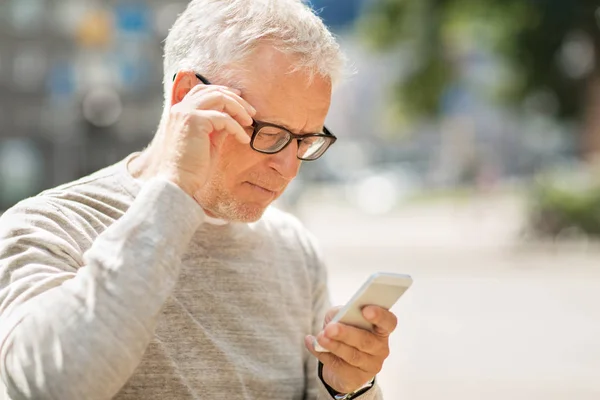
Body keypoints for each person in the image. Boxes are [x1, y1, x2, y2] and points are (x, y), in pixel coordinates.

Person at [0, 1, 399, 399]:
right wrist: (175, 190)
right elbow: (49, 386)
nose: (289, 168)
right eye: (271, 133)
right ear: (189, 96)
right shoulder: (47, 227)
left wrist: (349, 388)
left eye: (304, 140)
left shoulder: (293, 248)